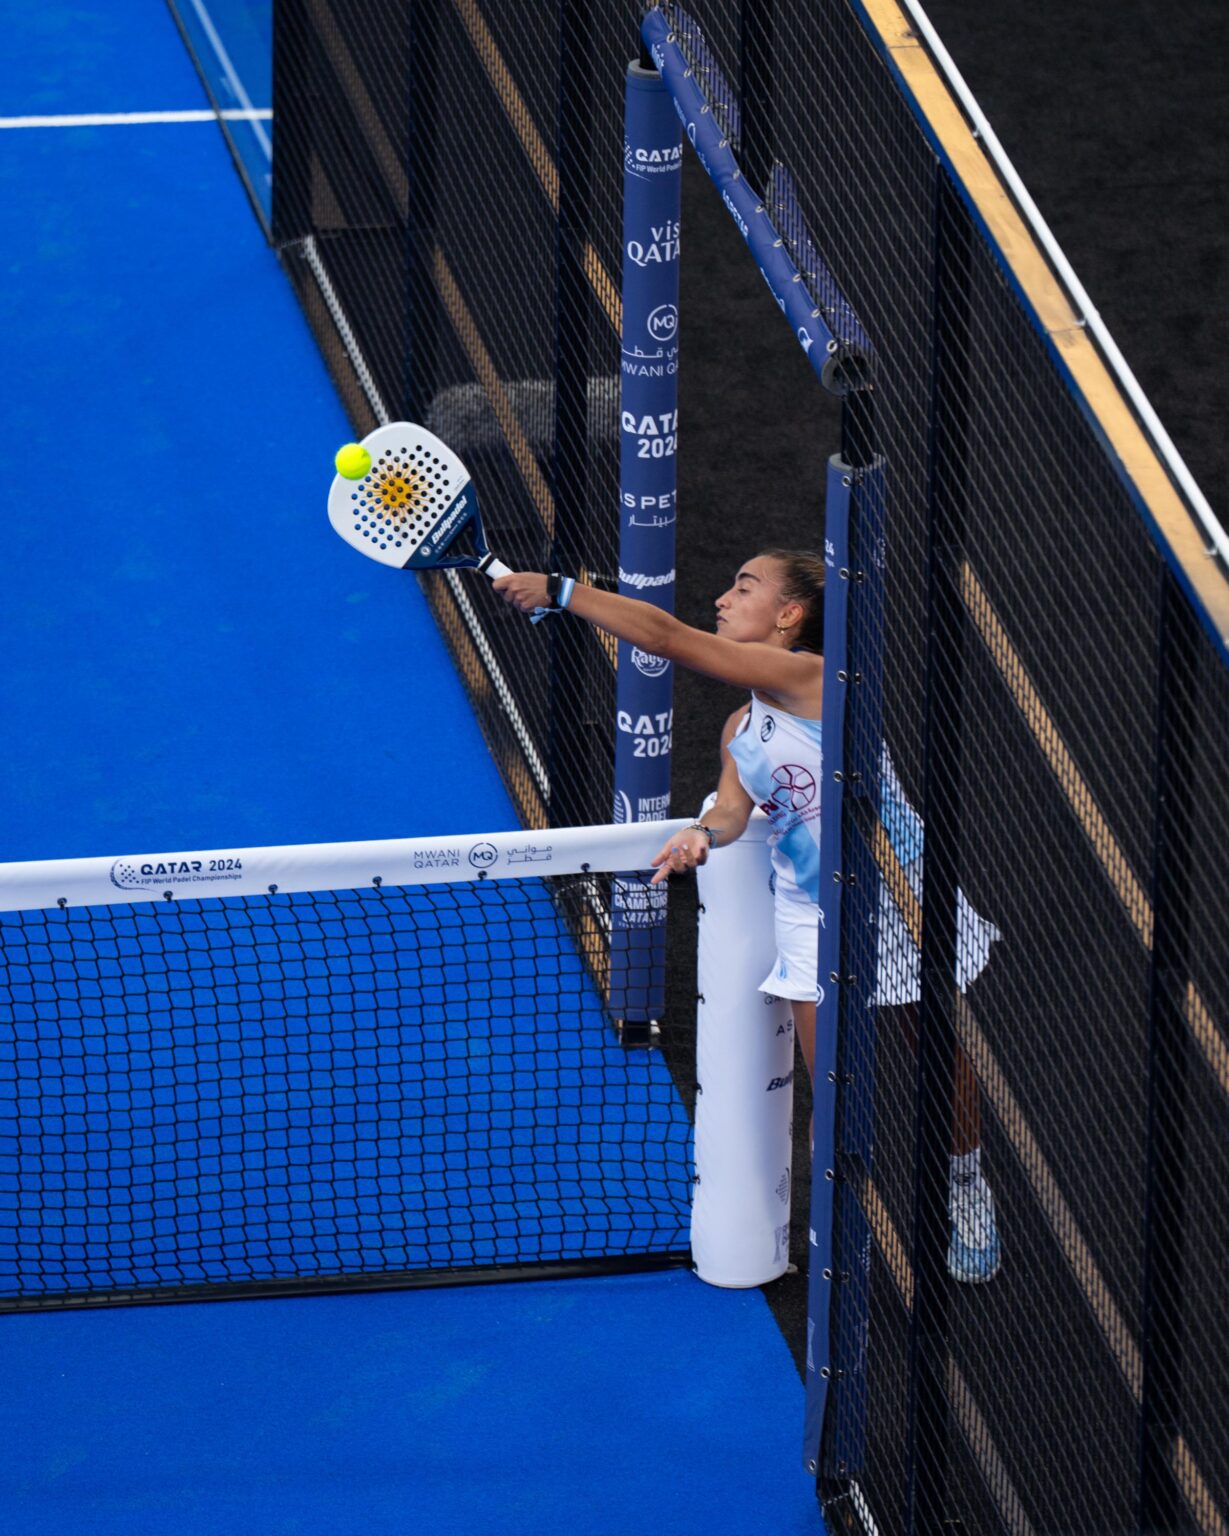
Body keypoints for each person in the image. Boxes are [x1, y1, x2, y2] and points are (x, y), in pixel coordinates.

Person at [492, 552, 1000, 1284]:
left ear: (789, 616)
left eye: (744, 587)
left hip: (898, 892)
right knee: (836, 1086)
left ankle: (966, 1184)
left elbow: (665, 638)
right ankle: (846, 1237)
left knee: (932, 1049)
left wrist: (563, 591)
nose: (723, 598)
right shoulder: (741, 723)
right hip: (810, 909)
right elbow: (733, 808)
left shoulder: (814, 676)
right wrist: (704, 834)